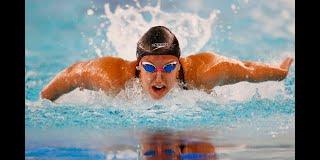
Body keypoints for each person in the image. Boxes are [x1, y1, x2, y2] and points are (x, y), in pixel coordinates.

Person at [40, 26, 293, 101]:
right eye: (150, 67)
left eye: (169, 67)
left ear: (180, 64)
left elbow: (247, 69)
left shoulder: (205, 71)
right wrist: (43, 101)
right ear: (138, 66)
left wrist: (280, 73)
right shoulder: (112, 76)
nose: (159, 77)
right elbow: (73, 73)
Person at [139, 130, 226, 160]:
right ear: (179, 150)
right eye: (168, 152)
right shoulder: (198, 146)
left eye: (151, 153)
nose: (159, 146)